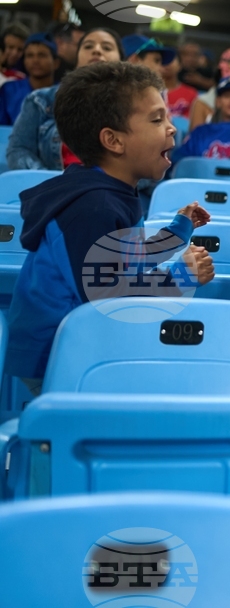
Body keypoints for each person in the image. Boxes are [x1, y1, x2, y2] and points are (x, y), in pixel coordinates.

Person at [5, 62, 215, 388]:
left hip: (85, 340)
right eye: (157, 119)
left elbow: (128, 257)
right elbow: (106, 296)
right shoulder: (92, 208)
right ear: (113, 141)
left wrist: (179, 230)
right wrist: (180, 276)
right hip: (58, 355)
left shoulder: (111, 190)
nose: (172, 128)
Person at [6, 28, 124, 171]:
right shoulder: (40, 100)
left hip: (112, 185)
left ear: (122, 61)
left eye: (107, 47)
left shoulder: (136, 106)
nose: (96, 50)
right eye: (88, 46)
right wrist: (50, 179)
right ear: (77, 59)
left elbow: (146, 162)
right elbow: (19, 150)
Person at [0, 33, 59, 126]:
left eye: (42, 55)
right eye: (30, 55)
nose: (35, 60)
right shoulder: (9, 90)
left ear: (56, 63)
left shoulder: (63, 93)